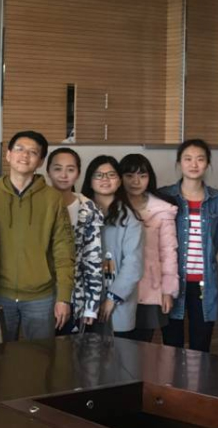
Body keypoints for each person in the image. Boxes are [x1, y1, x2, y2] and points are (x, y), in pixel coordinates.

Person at [0, 130, 75, 339]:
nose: (25, 155)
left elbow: (64, 249)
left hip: (41, 296)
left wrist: (64, 297)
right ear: (8, 154)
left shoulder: (53, 199)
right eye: (19, 149)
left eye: (33, 152)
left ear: (40, 161)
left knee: (40, 355)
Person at [160, 140, 218, 351]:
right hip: (171, 281)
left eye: (200, 159)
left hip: (205, 282)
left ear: (207, 163)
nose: (194, 164)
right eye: (188, 159)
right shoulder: (165, 196)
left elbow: (217, 238)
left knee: (201, 345)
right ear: (179, 163)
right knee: (172, 345)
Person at [81, 156, 144, 338]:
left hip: (115, 301)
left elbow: (133, 264)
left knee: (118, 352)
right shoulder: (80, 212)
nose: (105, 179)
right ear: (90, 180)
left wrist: (112, 298)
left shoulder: (129, 218)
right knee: (79, 351)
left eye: (111, 175)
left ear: (119, 181)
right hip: (82, 298)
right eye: (98, 175)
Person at [119, 154, 179, 343]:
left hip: (150, 288)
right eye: (129, 175)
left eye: (142, 176)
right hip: (119, 286)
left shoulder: (163, 210)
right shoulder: (113, 207)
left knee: (142, 347)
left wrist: (168, 290)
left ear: (149, 178)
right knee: (116, 346)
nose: (136, 181)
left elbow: (168, 252)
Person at [47, 147, 104, 333]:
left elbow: (92, 259)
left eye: (70, 169)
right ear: (48, 171)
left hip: (75, 295)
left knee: (67, 348)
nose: (64, 175)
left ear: (78, 173)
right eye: (57, 169)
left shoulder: (88, 208)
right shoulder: (38, 204)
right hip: (40, 294)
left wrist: (91, 304)